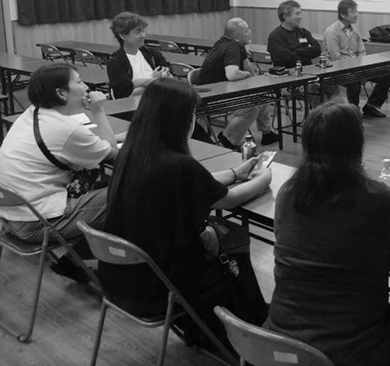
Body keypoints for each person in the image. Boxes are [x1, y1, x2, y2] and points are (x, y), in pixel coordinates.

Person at [100, 78, 271, 346]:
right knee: (234, 237)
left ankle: (212, 322)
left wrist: (235, 173)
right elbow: (228, 200)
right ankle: (251, 318)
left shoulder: (132, 154)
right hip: (161, 286)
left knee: (217, 233)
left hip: (120, 280)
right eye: (192, 113)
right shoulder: (178, 164)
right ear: (178, 119)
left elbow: (200, 182)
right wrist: (264, 178)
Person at [266, 102, 390, 366]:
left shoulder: (288, 192)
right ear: (356, 144)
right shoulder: (376, 197)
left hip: (279, 345)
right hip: (351, 352)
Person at [0, 63, 119, 282]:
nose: (86, 87)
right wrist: (98, 110)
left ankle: (74, 261)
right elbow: (111, 151)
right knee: (129, 193)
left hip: (12, 216)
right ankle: (108, 267)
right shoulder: (66, 129)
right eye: (79, 82)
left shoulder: (33, 113)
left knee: (105, 188)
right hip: (38, 224)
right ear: (61, 93)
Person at [197, 17, 279, 149]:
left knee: (261, 95)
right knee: (250, 109)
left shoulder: (233, 43)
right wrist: (247, 75)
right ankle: (227, 138)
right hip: (212, 96)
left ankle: (267, 133)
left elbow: (246, 63)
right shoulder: (231, 47)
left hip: (224, 89)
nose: (250, 32)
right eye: (247, 30)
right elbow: (232, 74)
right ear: (236, 37)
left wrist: (257, 81)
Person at [323, 0, 390, 118]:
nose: (356, 14)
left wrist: (362, 69)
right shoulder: (332, 31)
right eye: (353, 12)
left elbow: (361, 52)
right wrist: (357, 72)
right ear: (343, 15)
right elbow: (336, 59)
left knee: (387, 73)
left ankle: (371, 106)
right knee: (354, 79)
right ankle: (354, 112)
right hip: (338, 70)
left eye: (356, 11)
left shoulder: (355, 31)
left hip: (356, 68)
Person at [107, 11, 172, 99]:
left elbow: (169, 80)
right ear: (122, 35)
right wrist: (154, 81)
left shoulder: (153, 54)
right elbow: (126, 96)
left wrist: (139, 83)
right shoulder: (115, 62)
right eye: (138, 32)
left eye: (143, 31)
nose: (143, 35)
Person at [267, 0, 322, 68]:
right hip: (287, 73)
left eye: (300, 13)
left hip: (308, 71)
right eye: (297, 14)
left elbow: (317, 50)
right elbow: (286, 59)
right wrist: (307, 53)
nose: (300, 17)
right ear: (286, 16)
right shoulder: (275, 36)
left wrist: (297, 51)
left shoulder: (304, 32)